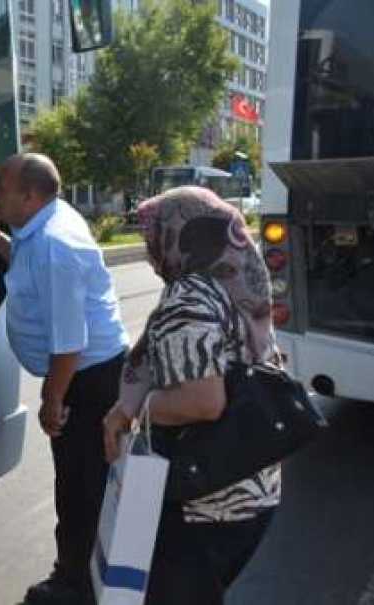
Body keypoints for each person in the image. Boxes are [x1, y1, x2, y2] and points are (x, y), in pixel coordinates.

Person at [102, 186, 280, 605]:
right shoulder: (232, 280)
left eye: (153, 233)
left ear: (181, 235)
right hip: (251, 482)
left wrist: (136, 411)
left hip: (209, 498)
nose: (149, 247)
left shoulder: (191, 296)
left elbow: (202, 402)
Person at [0, 153, 129, 605]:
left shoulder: (53, 245)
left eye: (2, 187)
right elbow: (28, 269)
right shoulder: (41, 227)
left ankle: (76, 586)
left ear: (30, 195)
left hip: (86, 379)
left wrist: (52, 400)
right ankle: (81, 573)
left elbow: (69, 343)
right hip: (85, 375)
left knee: (80, 487)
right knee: (81, 482)